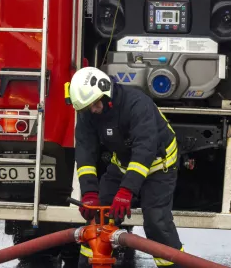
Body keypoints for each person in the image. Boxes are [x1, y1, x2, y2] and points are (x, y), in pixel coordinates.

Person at [68, 67, 183, 266]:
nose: (93, 110)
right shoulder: (89, 112)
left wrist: (126, 190)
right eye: (88, 108)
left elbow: (145, 149)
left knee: (156, 221)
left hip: (159, 166)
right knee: (98, 219)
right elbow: (85, 153)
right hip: (122, 165)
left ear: (105, 93)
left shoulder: (137, 104)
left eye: (95, 104)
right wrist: (89, 193)